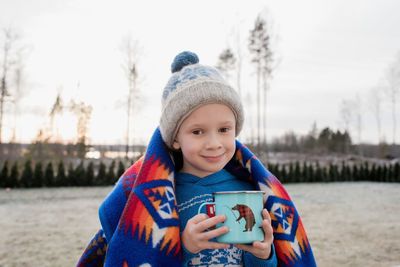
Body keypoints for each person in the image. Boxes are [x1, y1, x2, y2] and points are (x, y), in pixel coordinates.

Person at [77, 51, 317, 267]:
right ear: (175, 139)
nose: (214, 143)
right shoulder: (158, 200)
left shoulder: (250, 191)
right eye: (198, 132)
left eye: (224, 129)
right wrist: (185, 248)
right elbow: (142, 258)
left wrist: (263, 254)